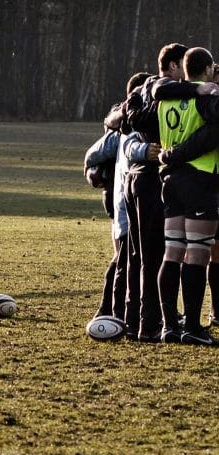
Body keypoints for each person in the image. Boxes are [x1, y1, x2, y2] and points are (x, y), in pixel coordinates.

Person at [154, 47, 219, 345]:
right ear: (207, 70)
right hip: (199, 177)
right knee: (198, 251)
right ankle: (192, 325)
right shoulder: (206, 98)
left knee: (173, 251)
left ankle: (169, 326)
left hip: (170, 179)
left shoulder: (166, 97)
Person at [123, 44, 188, 341]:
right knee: (157, 255)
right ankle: (154, 323)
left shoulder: (141, 94)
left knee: (140, 255)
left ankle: (138, 320)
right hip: (153, 181)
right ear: (174, 66)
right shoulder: (173, 94)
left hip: (135, 180)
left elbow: (121, 118)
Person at [84, 72, 152, 323]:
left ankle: (120, 309)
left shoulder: (135, 119)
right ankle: (108, 309)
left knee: (130, 255)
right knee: (123, 254)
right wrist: (92, 171)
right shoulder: (123, 122)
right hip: (120, 198)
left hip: (127, 196)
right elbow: (93, 154)